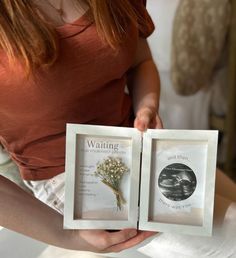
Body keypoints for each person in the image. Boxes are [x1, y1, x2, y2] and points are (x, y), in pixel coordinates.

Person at [0, 0, 162, 254]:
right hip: (63, 176)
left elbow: (140, 61)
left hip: (140, 147)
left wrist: (147, 107)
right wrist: (69, 236)